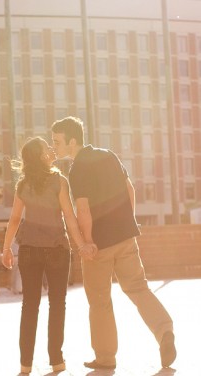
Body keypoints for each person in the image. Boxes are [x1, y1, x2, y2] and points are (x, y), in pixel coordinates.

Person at [51, 116, 176, 370]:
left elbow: (83, 209)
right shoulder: (108, 155)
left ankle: (106, 357)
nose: (54, 147)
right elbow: (130, 190)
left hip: (99, 244)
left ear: (72, 141)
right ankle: (164, 331)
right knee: (139, 289)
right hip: (126, 236)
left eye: (57, 142)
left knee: (99, 301)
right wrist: (128, 223)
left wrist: (87, 242)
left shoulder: (77, 169)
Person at [1, 136, 95, 374]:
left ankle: (25, 365)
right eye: (47, 148)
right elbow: (69, 217)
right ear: (41, 156)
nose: (52, 150)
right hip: (57, 251)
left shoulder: (22, 185)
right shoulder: (59, 181)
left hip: (29, 250)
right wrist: (82, 244)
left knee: (29, 306)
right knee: (57, 305)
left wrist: (6, 249)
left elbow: (14, 220)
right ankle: (56, 361)